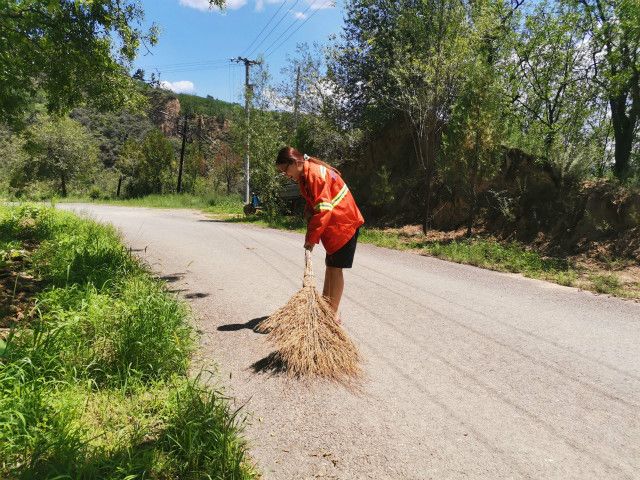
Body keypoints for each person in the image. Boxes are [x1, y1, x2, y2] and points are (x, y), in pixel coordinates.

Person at [276, 146, 364, 322]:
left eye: (286, 170)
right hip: (334, 226)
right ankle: (324, 308)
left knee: (336, 269)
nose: (286, 175)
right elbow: (314, 203)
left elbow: (324, 210)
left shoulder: (315, 174)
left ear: (295, 162)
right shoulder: (305, 177)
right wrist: (308, 211)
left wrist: (311, 240)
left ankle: (333, 316)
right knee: (330, 267)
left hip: (344, 224)